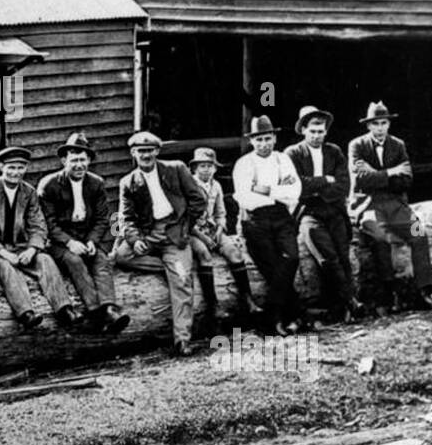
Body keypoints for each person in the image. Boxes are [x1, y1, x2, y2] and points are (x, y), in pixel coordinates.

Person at [113, 131, 206, 356]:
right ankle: (170, 267)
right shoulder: (128, 182)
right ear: (133, 153)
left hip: (175, 231)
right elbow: (126, 218)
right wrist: (135, 241)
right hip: (148, 234)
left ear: (157, 151)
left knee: (182, 283)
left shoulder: (176, 169)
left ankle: (182, 339)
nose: (145, 155)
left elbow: (198, 199)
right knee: (121, 256)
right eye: (140, 151)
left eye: (149, 150)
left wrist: (184, 226)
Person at [37, 132, 130, 335]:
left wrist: (92, 241)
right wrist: (69, 242)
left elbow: (102, 219)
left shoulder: (96, 183)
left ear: (89, 160)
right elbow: (48, 224)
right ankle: (95, 311)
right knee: (74, 261)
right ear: (64, 160)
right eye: (74, 160)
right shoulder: (49, 185)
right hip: (58, 241)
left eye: (83, 160)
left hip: (86, 237)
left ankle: (110, 308)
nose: (79, 165)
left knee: (100, 259)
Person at [0, 146, 80, 330]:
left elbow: (38, 225)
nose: (15, 173)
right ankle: (25, 313)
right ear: (1, 166)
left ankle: (64, 308)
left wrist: (32, 249)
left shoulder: (29, 192)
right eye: (11, 167)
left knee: (45, 259)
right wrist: (3, 253)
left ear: (26, 169)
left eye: (20, 168)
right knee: (6, 266)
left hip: (20, 246)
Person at [347, 101, 432, 312]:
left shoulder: (398, 145)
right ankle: (388, 294)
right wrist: (391, 172)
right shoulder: (357, 145)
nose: (379, 128)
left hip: (396, 205)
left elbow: (406, 180)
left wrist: (377, 175)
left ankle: (423, 292)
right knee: (380, 239)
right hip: (368, 205)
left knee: (419, 233)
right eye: (375, 124)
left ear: (389, 124)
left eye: (383, 123)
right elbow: (361, 180)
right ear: (368, 126)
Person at [285, 106, 363, 324]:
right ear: (303, 131)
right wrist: (324, 181)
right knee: (327, 258)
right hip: (309, 213)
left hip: (335, 210)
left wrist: (317, 188)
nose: (317, 136)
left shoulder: (334, 152)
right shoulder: (292, 154)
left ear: (326, 131)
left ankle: (344, 308)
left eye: (321, 131)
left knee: (343, 256)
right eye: (313, 131)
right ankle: (351, 301)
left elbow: (343, 185)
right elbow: (296, 187)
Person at [232, 116, 303, 336]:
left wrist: (265, 189)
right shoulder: (244, 164)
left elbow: (294, 192)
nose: (264, 144)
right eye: (259, 139)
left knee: (292, 258)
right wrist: (277, 190)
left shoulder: (283, 160)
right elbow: (245, 197)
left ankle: (272, 314)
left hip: (281, 216)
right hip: (255, 220)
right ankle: (289, 317)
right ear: (252, 141)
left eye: (267, 138)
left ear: (274, 138)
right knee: (272, 267)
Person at [186, 147, 258, 336]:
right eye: (202, 166)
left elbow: (221, 213)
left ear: (215, 169)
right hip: (192, 231)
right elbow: (185, 218)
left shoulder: (216, 186)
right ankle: (213, 305)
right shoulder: (188, 185)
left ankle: (248, 299)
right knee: (204, 253)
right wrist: (203, 237)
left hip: (212, 229)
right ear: (194, 168)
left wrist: (219, 230)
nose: (206, 170)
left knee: (234, 251)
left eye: (210, 166)